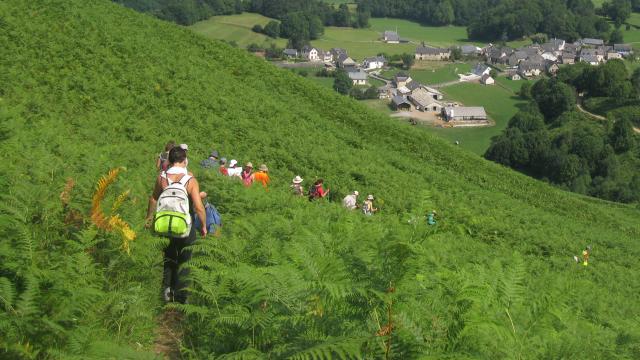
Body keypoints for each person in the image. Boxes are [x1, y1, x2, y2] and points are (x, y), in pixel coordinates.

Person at [146, 146, 207, 303]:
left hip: (165, 224)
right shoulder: (190, 179)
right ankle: (181, 297)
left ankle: (167, 291)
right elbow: (199, 207)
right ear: (184, 160)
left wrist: (149, 218)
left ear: (170, 160)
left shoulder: (162, 177)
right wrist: (204, 226)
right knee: (185, 259)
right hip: (185, 225)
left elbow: (153, 199)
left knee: (169, 256)